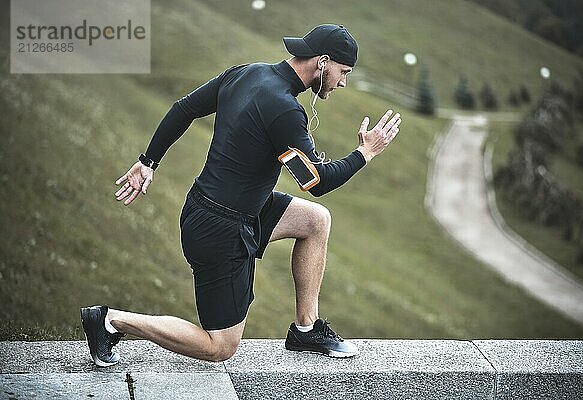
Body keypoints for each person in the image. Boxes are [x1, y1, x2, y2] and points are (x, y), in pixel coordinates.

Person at [81, 24, 401, 366]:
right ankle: (111, 321)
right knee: (220, 347)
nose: (343, 82)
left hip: (226, 208)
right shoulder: (284, 110)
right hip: (219, 229)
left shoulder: (247, 73)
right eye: (343, 72)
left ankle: (306, 330)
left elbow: (184, 108)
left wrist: (148, 162)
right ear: (323, 62)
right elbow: (315, 181)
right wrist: (364, 153)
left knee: (315, 221)